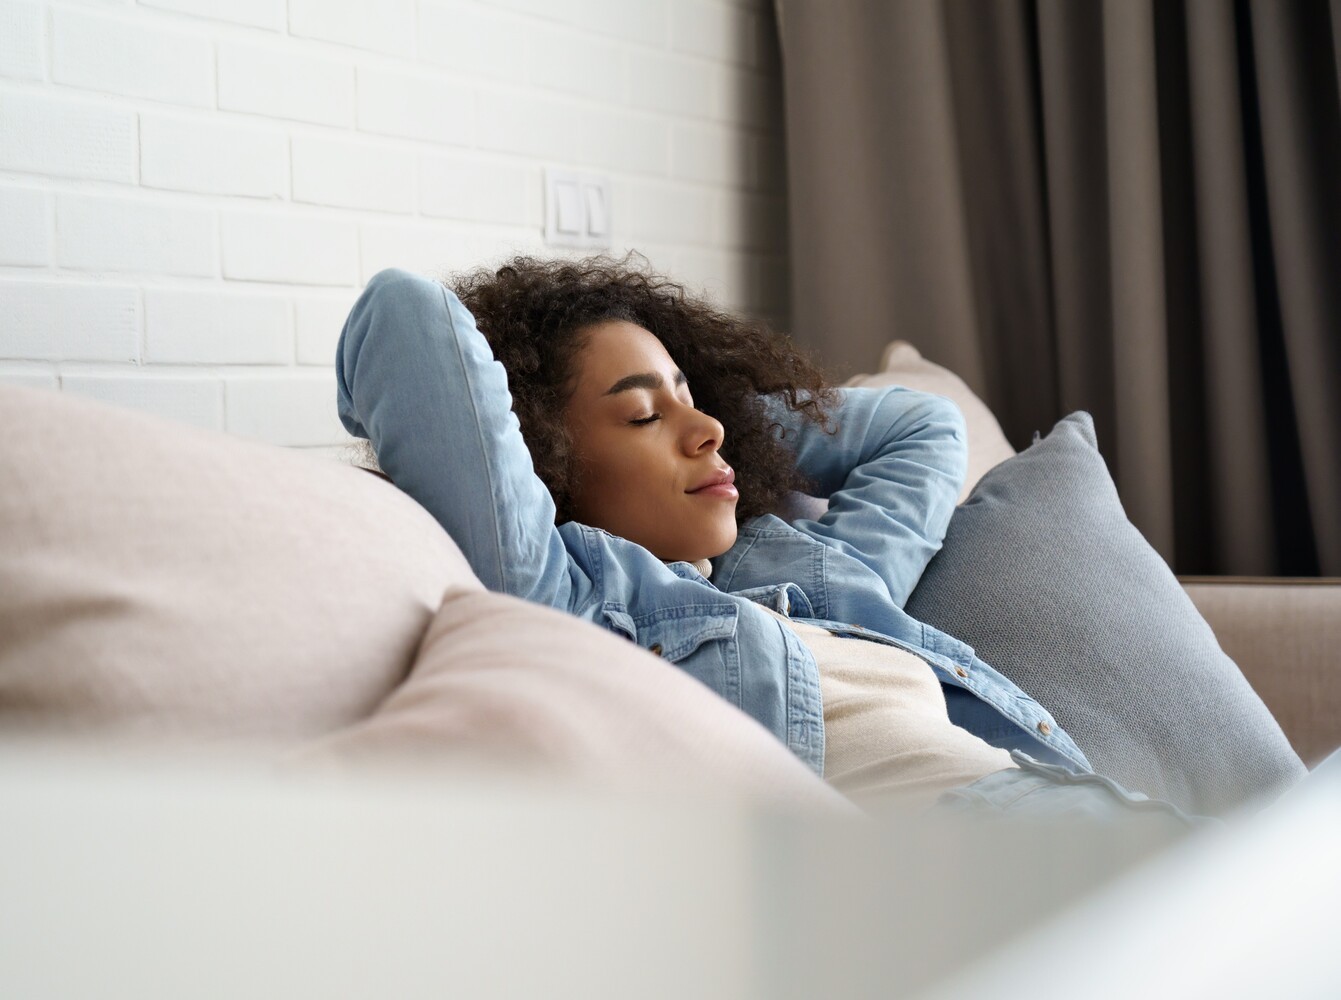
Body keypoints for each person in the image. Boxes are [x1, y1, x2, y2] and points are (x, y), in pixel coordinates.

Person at [335, 255, 1196, 825]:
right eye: (641, 413)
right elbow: (405, 316)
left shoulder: (812, 574)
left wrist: (709, 414)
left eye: (692, 397)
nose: (703, 427)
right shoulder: (575, 591)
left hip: (1075, 809)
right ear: (545, 461)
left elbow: (920, 430)